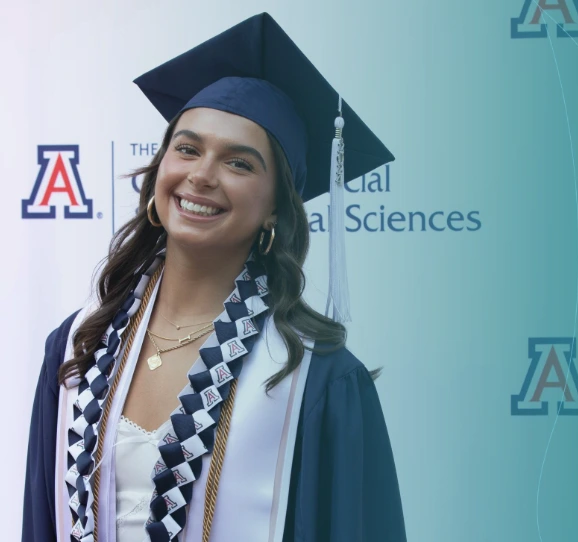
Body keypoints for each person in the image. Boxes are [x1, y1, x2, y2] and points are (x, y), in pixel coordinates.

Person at [22, 13, 406, 542]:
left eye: (240, 163)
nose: (201, 175)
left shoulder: (315, 380)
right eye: (187, 148)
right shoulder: (76, 348)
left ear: (276, 209)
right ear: (161, 168)